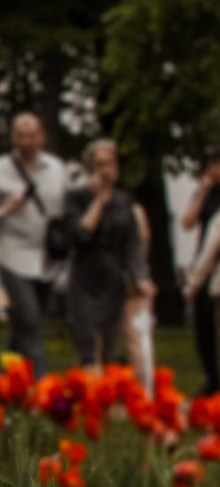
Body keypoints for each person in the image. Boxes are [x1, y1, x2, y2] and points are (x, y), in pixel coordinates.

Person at [0, 112, 67, 369]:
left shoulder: (56, 169)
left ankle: (5, 376)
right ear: (13, 138)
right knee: (30, 319)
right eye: (20, 136)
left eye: (31, 135)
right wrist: (5, 210)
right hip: (12, 255)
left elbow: (67, 207)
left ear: (42, 137)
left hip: (47, 257)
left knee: (27, 324)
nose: (26, 142)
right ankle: (40, 385)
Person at [62, 137, 143, 372]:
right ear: (91, 169)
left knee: (108, 343)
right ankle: (89, 390)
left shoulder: (123, 201)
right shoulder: (76, 197)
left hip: (113, 277)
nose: (106, 171)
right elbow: (80, 234)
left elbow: (132, 243)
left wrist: (140, 277)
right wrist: (98, 200)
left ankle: (106, 393)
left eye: (110, 164)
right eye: (100, 165)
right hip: (85, 276)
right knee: (88, 339)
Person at [183, 154, 220, 399]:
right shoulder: (208, 195)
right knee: (204, 327)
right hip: (208, 270)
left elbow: (212, 246)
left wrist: (191, 286)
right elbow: (187, 222)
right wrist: (202, 190)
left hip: (213, 269)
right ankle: (213, 380)